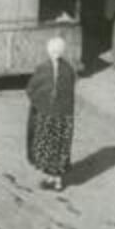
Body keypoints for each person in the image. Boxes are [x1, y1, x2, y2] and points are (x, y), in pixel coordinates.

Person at [26, 37, 77, 191]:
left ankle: (50, 178)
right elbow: (70, 89)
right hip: (64, 116)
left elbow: (31, 89)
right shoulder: (68, 69)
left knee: (47, 146)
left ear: (48, 51)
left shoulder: (43, 68)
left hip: (47, 114)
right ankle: (58, 181)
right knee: (60, 147)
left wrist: (38, 102)